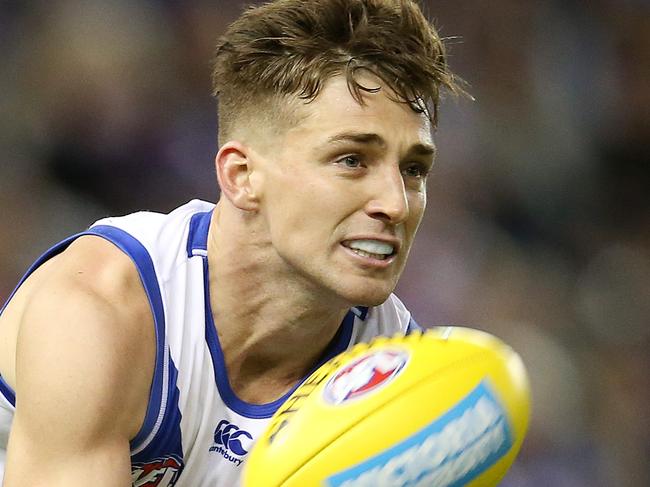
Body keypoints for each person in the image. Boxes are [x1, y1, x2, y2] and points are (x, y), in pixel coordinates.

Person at [0, 0, 461, 485]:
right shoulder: (103, 310)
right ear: (241, 176)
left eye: (413, 170)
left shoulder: (393, 371)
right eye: (351, 160)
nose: (396, 204)